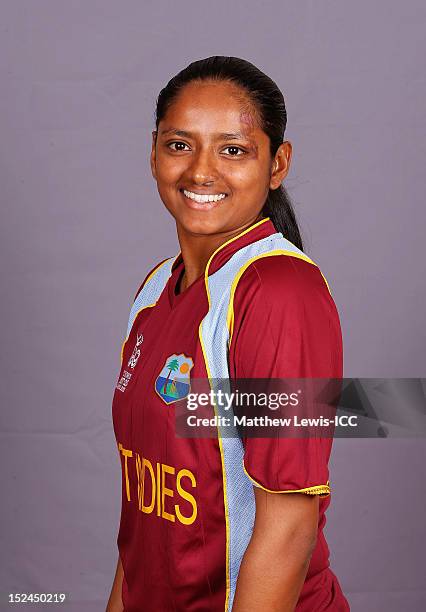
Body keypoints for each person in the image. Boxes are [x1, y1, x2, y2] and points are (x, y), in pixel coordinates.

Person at [107, 56, 350, 612]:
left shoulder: (280, 292)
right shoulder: (154, 291)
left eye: (233, 149)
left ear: (277, 163)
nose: (201, 171)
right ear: (153, 153)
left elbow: (288, 525)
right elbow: (145, 512)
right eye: (179, 144)